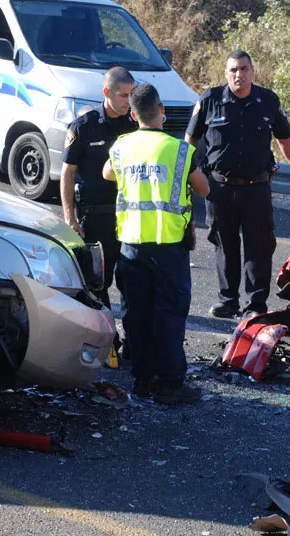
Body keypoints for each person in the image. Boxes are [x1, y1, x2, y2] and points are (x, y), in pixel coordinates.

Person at [103, 83, 210, 404]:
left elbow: (108, 173)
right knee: (169, 314)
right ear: (161, 111)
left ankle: (143, 380)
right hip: (168, 246)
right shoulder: (179, 151)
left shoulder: (121, 147)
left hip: (132, 245)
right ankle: (171, 383)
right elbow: (203, 189)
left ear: (133, 114)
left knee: (137, 313)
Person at [185, 50, 290, 319]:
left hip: (256, 187)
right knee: (224, 245)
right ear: (226, 73)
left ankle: (255, 306)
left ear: (253, 71)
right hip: (219, 188)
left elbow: (285, 140)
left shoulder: (268, 101)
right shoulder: (210, 100)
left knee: (259, 247)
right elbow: (189, 142)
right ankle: (227, 301)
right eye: (233, 70)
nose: (238, 74)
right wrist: (186, 176)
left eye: (243, 69)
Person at [60, 66, 136, 310]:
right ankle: (104, 341)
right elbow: (67, 173)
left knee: (129, 281)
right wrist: (69, 217)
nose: (129, 101)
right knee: (96, 283)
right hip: (94, 216)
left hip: (128, 215)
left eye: (132, 95)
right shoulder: (83, 127)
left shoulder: (135, 126)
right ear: (107, 92)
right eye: (123, 95)